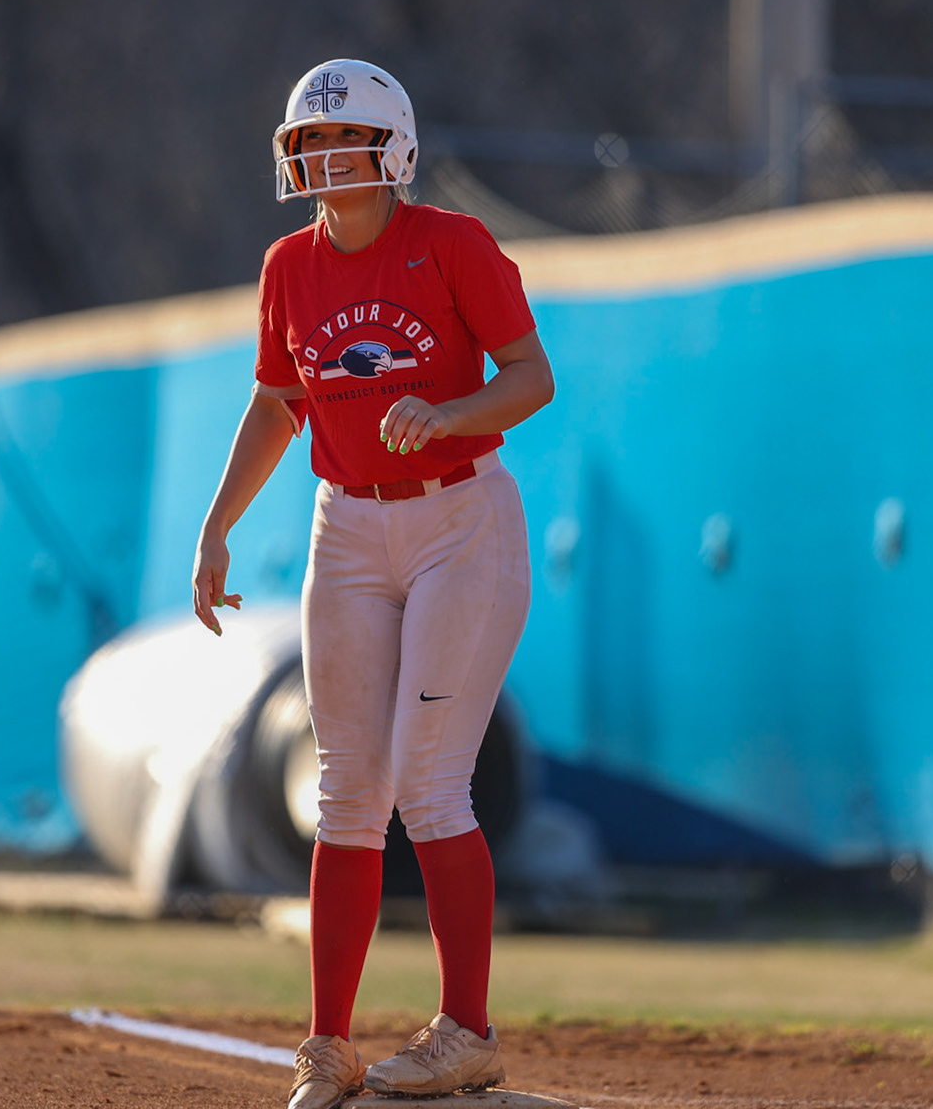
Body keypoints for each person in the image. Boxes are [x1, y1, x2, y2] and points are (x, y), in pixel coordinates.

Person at [191, 59, 554, 1109]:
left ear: (391, 148)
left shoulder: (452, 244)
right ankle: (328, 1045)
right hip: (344, 524)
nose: (318, 157)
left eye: (339, 138)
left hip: (458, 516)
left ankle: (468, 1032)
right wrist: (219, 522)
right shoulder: (287, 266)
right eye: (306, 141)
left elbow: (533, 375)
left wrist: (448, 415)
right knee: (346, 792)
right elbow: (276, 405)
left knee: (433, 785)